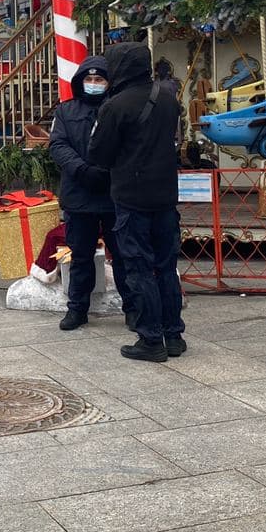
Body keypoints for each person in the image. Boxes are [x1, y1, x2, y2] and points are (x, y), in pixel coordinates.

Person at [88, 41, 186, 363]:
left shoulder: (115, 106)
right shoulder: (168, 99)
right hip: (166, 196)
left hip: (132, 198)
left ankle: (150, 338)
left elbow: (99, 155)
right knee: (167, 267)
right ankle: (174, 335)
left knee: (139, 268)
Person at [48, 56, 133, 331]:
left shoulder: (118, 109)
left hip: (113, 194)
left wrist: (107, 171)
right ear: (80, 81)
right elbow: (58, 145)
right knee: (81, 257)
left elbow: (128, 146)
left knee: (122, 256)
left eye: (99, 80)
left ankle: (133, 308)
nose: (94, 84)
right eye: (89, 79)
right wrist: (82, 170)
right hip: (79, 193)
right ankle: (77, 309)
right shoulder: (65, 111)